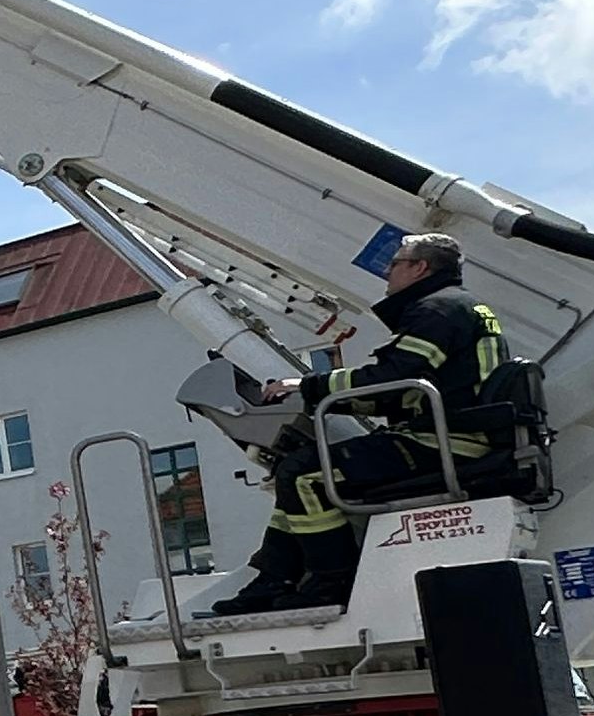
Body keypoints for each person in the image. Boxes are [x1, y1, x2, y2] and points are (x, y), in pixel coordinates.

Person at [205, 232, 511, 616]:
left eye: (396, 263)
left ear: (419, 267)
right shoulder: (460, 308)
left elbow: (393, 377)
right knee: (295, 474)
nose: (388, 272)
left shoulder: (436, 311)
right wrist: (329, 398)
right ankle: (273, 578)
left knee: (303, 475)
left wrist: (308, 386)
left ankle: (331, 580)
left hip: (444, 443)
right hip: (455, 436)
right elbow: (399, 390)